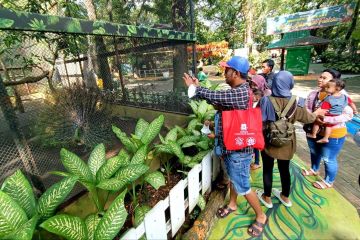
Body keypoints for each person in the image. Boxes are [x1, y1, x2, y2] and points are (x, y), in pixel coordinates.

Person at [183, 56, 267, 237]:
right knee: (234, 179)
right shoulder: (237, 89)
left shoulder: (240, 92)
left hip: (239, 151)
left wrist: (195, 87)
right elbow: (218, 102)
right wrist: (198, 90)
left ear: (235, 73)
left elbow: (216, 96)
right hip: (231, 146)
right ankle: (232, 204)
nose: (224, 73)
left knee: (243, 185)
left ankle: (261, 216)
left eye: (226, 70)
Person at [256, 71, 324, 208]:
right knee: (284, 169)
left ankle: (267, 197)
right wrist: (317, 113)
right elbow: (308, 118)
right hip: (287, 141)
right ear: (290, 83)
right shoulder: (297, 101)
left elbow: (257, 119)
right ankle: (285, 197)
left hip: (268, 139)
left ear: (274, 83)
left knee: (267, 169)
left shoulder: (265, 100)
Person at [302, 69, 354, 189]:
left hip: (333, 133)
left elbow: (348, 115)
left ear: (335, 83)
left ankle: (328, 181)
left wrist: (326, 120)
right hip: (314, 130)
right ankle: (314, 169)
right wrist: (313, 117)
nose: (320, 79)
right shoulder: (314, 93)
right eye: (320, 76)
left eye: (324, 78)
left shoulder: (342, 96)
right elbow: (307, 108)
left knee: (328, 158)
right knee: (314, 152)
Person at [308, 79, 354, 143]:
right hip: (336, 115)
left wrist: (318, 116)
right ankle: (325, 138)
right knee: (328, 126)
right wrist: (355, 110)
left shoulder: (329, 99)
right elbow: (351, 103)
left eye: (328, 87)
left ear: (337, 88)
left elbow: (322, 109)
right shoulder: (345, 97)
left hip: (330, 119)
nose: (326, 88)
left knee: (317, 123)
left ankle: (313, 134)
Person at [249, 75, 272, 170]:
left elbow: (264, 113)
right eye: (253, 84)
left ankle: (258, 162)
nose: (254, 86)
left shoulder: (267, 95)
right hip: (256, 121)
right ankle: (256, 158)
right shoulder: (253, 92)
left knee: (259, 143)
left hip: (263, 123)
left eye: (256, 84)